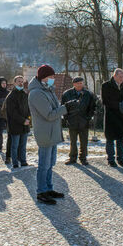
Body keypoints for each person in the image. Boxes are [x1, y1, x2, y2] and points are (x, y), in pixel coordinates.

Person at [28, 65, 79, 205]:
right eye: (51, 77)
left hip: (52, 132)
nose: (53, 79)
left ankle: (48, 188)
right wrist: (66, 108)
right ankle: (41, 191)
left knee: (50, 163)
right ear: (43, 77)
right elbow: (49, 114)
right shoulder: (36, 93)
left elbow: (56, 108)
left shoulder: (47, 90)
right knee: (44, 164)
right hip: (45, 132)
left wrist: (65, 106)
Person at [102, 68, 123, 168]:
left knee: (121, 139)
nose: (122, 78)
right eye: (120, 77)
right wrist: (119, 105)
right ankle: (111, 159)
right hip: (111, 116)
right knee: (110, 139)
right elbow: (105, 101)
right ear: (114, 76)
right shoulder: (106, 85)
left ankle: (120, 158)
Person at [61, 76, 96, 166]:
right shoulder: (67, 94)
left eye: (81, 83)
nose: (80, 85)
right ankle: (72, 158)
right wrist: (67, 118)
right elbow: (63, 107)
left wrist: (88, 118)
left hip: (84, 121)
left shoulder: (88, 94)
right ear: (74, 84)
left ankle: (83, 158)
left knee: (84, 142)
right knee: (73, 142)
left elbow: (92, 107)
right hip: (72, 121)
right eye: (78, 83)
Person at [6, 75, 31, 169]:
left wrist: (28, 119)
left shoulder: (25, 94)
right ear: (14, 83)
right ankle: (15, 162)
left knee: (23, 145)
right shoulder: (11, 96)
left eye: (22, 81)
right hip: (15, 125)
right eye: (19, 81)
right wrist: (23, 120)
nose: (21, 83)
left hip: (25, 124)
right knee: (15, 145)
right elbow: (12, 113)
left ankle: (23, 160)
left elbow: (29, 109)